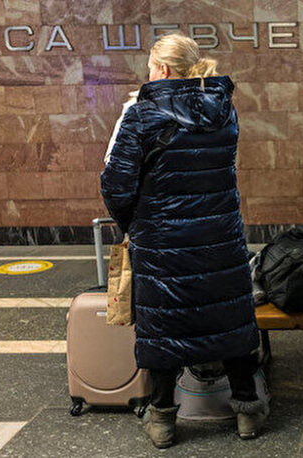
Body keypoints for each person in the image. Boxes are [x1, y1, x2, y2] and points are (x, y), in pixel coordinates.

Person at [101, 33, 267, 448]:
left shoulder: (142, 116)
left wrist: (135, 224)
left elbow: (116, 186)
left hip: (162, 242)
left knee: (163, 329)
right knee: (228, 318)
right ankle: (247, 411)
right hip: (219, 236)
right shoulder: (223, 110)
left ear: (162, 70)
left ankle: (162, 420)